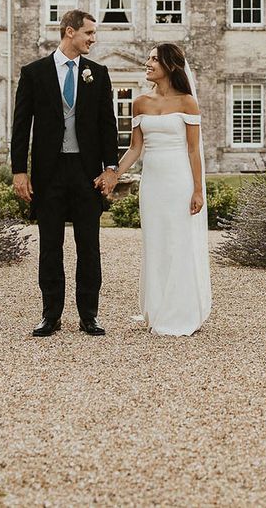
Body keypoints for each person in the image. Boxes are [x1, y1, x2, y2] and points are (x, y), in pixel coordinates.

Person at [11, 10, 119, 337]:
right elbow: (20, 126)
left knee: (89, 245)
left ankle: (89, 315)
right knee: (50, 246)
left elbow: (107, 126)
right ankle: (50, 315)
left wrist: (111, 168)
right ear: (70, 32)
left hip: (87, 174)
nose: (93, 39)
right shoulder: (34, 73)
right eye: (88, 33)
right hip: (49, 173)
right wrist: (19, 171)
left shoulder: (97, 74)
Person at [100, 44, 211, 336]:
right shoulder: (140, 103)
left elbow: (193, 150)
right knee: (156, 242)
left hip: (180, 181)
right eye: (148, 58)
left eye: (153, 59)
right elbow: (135, 148)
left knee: (178, 241)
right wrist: (113, 173)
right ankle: (158, 307)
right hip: (153, 183)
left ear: (170, 66)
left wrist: (198, 190)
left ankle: (181, 312)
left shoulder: (188, 103)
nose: (147, 63)